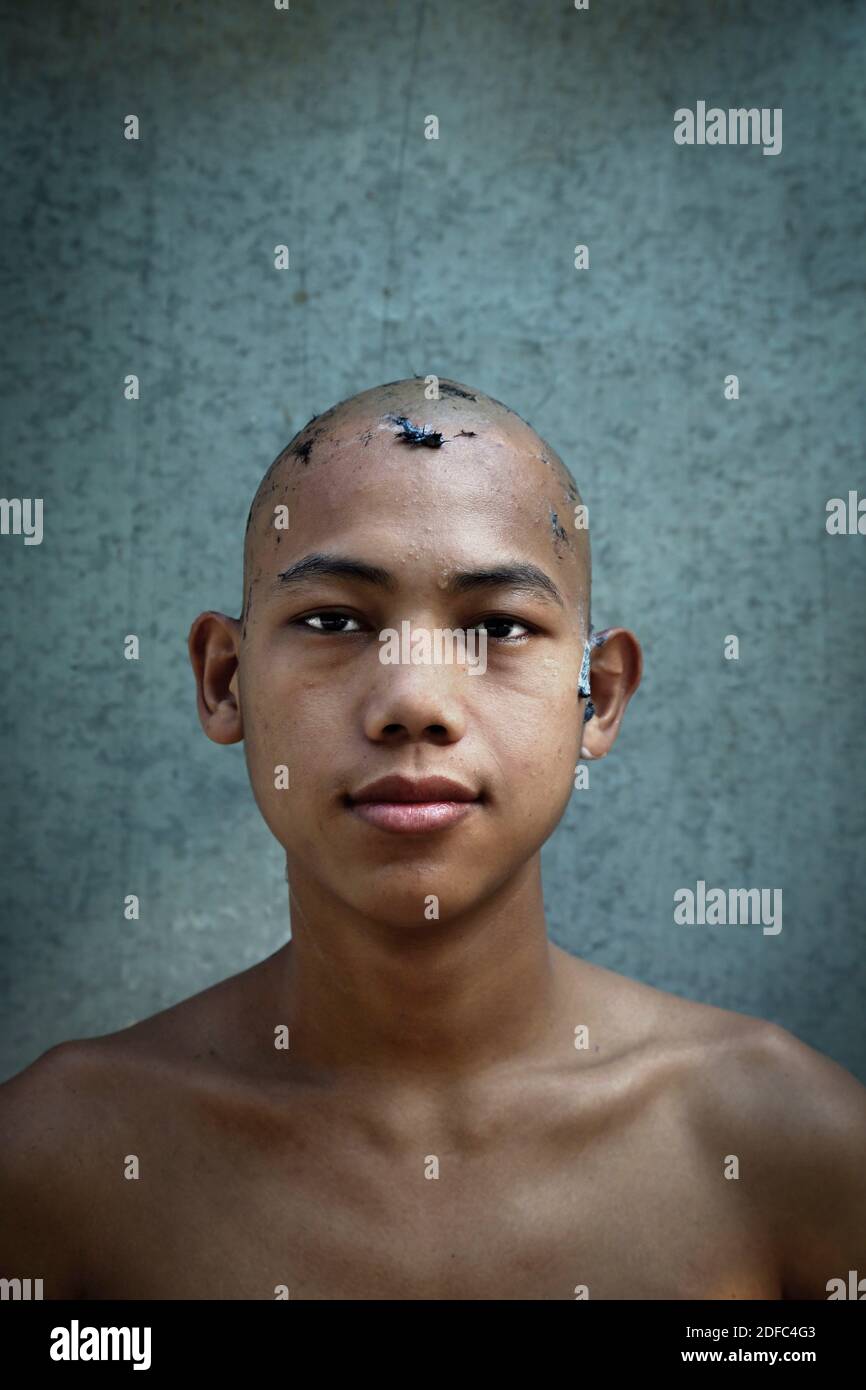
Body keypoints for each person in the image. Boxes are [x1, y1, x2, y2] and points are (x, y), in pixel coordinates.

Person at [2, 377, 864, 1300]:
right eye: (334, 622)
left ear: (599, 697)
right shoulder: (59, 1164)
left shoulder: (785, 1146)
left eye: (499, 626)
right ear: (225, 682)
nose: (414, 702)